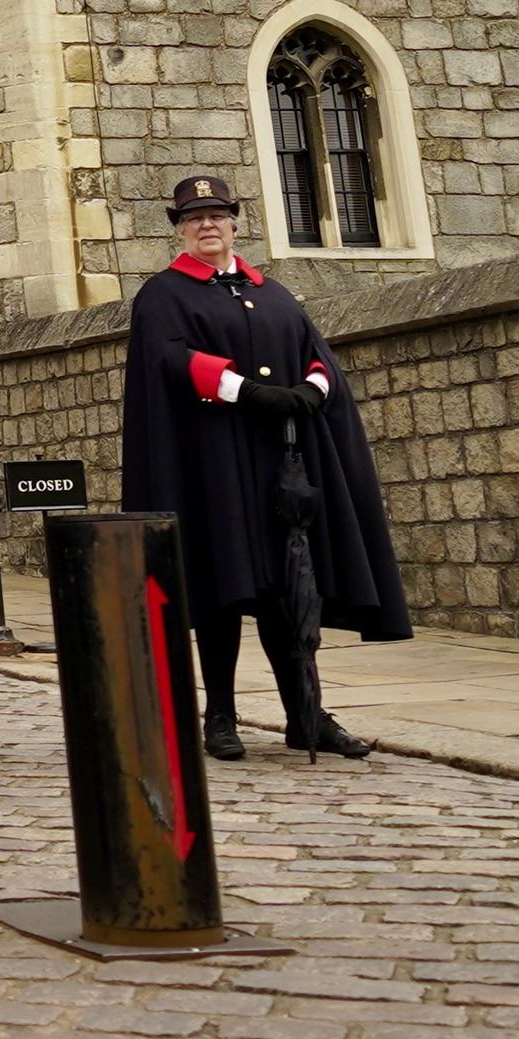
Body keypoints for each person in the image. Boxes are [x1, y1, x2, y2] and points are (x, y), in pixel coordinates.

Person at [117, 172, 410, 761]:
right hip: (213, 466)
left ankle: (307, 714)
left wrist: (311, 390)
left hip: (282, 465)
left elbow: (318, 354)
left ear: (233, 223)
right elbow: (171, 358)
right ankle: (220, 717)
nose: (207, 225)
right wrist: (244, 391)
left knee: (292, 588)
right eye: (194, 218)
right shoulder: (164, 294)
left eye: (217, 216)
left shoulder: (273, 292)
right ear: (179, 229)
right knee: (222, 589)